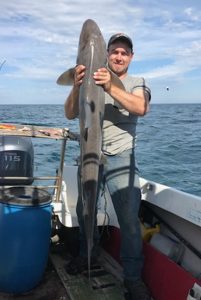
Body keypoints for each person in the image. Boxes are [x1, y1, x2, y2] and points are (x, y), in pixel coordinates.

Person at [64, 32, 151, 300]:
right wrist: (78, 85)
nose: (119, 56)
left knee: (129, 221)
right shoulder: (91, 75)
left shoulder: (137, 82)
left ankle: (133, 279)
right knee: (85, 210)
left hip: (121, 157)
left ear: (131, 57)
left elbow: (141, 107)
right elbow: (69, 112)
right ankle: (86, 254)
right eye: (114, 51)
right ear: (106, 54)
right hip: (90, 154)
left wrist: (110, 87)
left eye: (124, 52)